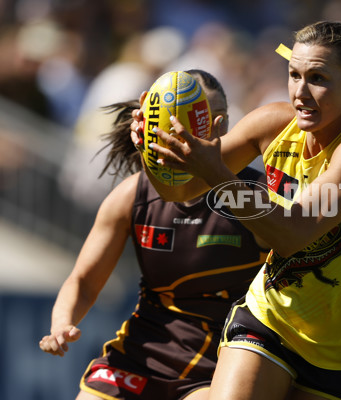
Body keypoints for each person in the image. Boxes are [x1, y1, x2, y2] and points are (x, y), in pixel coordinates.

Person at [130, 21, 341, 400]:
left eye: (318, 78)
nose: (300, 93)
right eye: (294, 75)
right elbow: (178, 189)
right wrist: (155, 149)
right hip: (271, 317)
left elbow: (292, 233)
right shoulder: (272, 123)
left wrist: (215, 172)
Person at [39, 69, 269, 400]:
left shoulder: (253, 194)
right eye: (188, 117)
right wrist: (61, 324)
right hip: (141, 351)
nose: (198, 128)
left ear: (224, 125)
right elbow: (84, 281)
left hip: (221, 359)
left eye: (208, 117)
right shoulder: (131, 196)